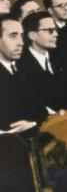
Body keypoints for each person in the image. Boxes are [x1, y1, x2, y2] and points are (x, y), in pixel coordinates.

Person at [0, 16, 38, 191]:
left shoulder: (23, 70)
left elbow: (40, 109)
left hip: (29, 154)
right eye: (13, 36)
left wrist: (33, 122)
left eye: (22, 36)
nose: (21, 42)